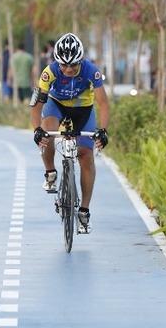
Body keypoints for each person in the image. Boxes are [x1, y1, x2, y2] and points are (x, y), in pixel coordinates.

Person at [30, 32, 109, 234]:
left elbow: (103, 103)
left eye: (73, 65)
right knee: (47, 134)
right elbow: (36, 105)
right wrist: (36, 130)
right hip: (56, 105)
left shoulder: (92, 71)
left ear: (80, 60)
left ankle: (84, 211)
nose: (68, 69)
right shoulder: (49, 72)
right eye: (64, 65)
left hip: (83, 109)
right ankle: (50, 173)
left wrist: (103, 130)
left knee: (86, 155)